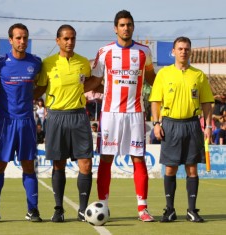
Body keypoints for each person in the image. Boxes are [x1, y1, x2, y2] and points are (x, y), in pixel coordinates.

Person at [84, 10, 156, 222]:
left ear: (133, 27)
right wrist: (75, 90)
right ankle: (102, 205)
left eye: (129, 24)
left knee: (138, 158)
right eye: (122, 25)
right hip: (110, 114)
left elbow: (153, 79)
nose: (126, 28)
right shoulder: (104, 51)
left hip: (135, 113)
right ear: (115, 28)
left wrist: (168, 94)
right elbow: (96, 81)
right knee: (106, 158)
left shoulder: (144, 52)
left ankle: (142, 209)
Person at [149, 36, 214, 223]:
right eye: (180, 48)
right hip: (170, 124)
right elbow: (155, 101)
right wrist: (156, 123)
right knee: (170, 168)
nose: (183, 51)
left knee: (192, 168)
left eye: (186, 49)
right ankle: (170, 210)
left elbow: (207, 103)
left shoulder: (198, 75)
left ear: (190, 51)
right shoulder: (164, 74)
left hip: (192, 124)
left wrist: (208, 126)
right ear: (173, 51)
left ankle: (192, 210)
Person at [34, 24, 93, 222]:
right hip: (56, 116)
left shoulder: (84, 63)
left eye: (73, 38)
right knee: (58, 164)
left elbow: (92, 83)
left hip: (79, 116)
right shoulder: (48, 64)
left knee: (85, 163)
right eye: (66, 39)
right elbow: (40, 87)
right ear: (57, 40)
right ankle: (58, 208)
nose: (70, 42)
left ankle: (83, 210)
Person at [0, 23, 42, 222]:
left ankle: (33, 210)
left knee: (29, 165)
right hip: (5, 122)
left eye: (25, 38)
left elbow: (42, 85)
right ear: (10, 40)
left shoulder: (36, 62)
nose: (22, 42)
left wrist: (32, 98)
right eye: (18, 38)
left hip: (27, 122)